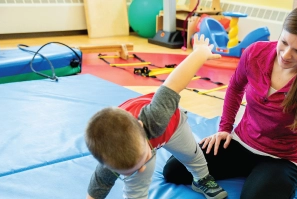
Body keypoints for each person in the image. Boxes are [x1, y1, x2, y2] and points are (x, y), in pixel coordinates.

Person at [163, 4, 297, 199]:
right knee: (174, 170)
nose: (286, 55)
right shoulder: (255, 53)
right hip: (242, 142)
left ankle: (274, 180)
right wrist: (225, 129)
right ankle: (256, 175)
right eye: (284, 42)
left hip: (281, 159)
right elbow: (235, 87)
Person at [84, 34, 228, 199]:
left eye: (140, 162)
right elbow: (97, 189)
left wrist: (200, 53)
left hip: (172, 127)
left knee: (191, 154)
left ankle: (201, 179)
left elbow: (174, 82)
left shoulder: (156, 117)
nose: (142, 168)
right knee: (136, 186)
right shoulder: (110, 162)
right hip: (140, 144)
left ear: (141, 126)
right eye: (133, 169)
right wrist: (137, 164)